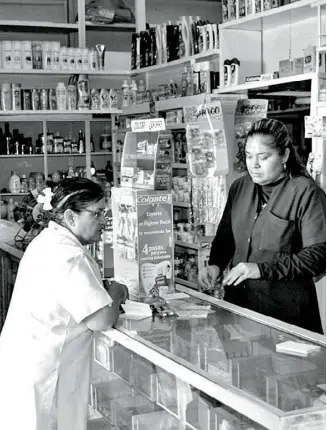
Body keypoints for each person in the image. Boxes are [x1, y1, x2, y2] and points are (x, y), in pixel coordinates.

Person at [0, 177, 128, 430]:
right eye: (98, 213)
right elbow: (101, 319)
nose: (104, 221)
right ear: (70, 217)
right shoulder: (65, 254)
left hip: (29, 365)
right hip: (42, 372)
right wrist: (116, 291)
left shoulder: (51, 241)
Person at [199, 118, 326, 334]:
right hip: (239, 310)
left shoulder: (306, 192)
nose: (254, 165)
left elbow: (318, 256)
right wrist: (216, 265)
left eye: (263, 157)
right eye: (249, 156)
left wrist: (260, 269)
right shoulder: (240, 187)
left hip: (286, 318)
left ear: (284, 155)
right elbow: (226, 237)